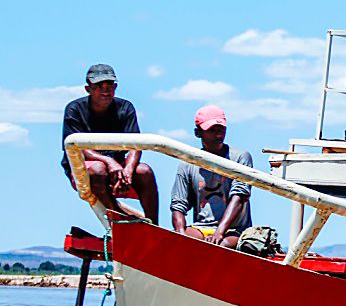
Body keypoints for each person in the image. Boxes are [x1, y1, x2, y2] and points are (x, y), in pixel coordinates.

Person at [60, 64, 160, 223]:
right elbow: (77, 147)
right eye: (99, 86)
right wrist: (109, 161)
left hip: (118, 167)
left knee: (144, 171)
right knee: (98, 169)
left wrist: (128, 170)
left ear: (115, 87)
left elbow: (136, 145)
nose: (105, 91)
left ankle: (154, 226)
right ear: (88, 89)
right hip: (87, 169)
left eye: (109, 86)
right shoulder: (75, 109)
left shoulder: (125, 107)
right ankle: (118, 217)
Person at [170, 106, 254, 248]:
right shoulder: (187, 163)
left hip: (234, 230)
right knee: (179, 241)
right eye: (212, 130)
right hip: (201, 228)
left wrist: (219, 233)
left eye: (221, 130)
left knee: (221, 246)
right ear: (198, 133)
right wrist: (180, 233)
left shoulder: (240, 157)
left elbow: (239, 196)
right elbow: (178, 203)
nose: (218, 135)